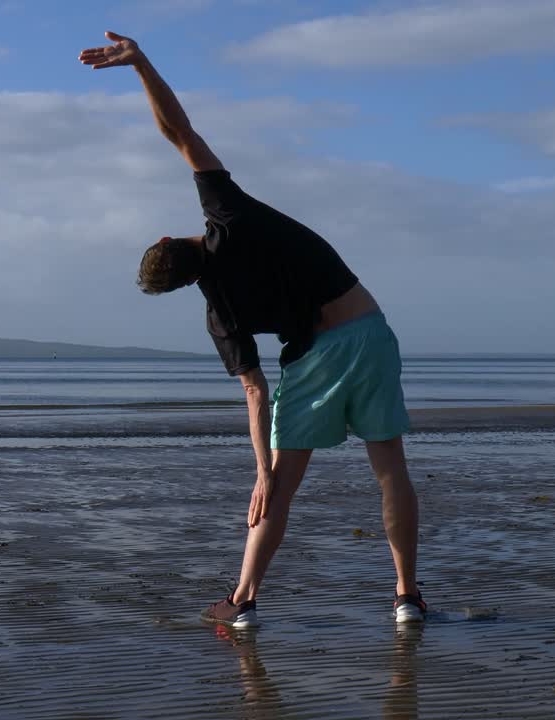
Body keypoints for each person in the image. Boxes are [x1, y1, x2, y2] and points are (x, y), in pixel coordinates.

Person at [79, 31, 426, 626]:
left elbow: (255, 390)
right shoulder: (228, 216)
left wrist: (261, 471)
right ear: (170, 239)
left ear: (183, 282)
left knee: (277, 492)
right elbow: (179, 135)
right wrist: (141, 64)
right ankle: (406, 598)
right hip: (365, 329)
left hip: (311, 359)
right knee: (389, 467)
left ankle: (241, 605)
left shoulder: (220, 314)